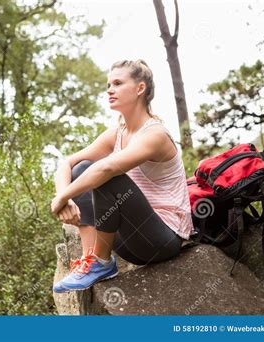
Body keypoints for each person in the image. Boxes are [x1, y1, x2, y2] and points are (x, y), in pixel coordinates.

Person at [51, 59, 194, 293]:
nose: (109, 89)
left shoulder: (155, 134)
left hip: (160, 240)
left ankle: (101, 263)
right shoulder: (117, 133)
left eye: (117, 83)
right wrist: (63, 197)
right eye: (108, 84)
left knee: (108, 176)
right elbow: (66, 162)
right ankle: (92, 259)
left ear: (140, 88)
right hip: (128, 241)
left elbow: (106, 169)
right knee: (81, 169)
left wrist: (61, 199)